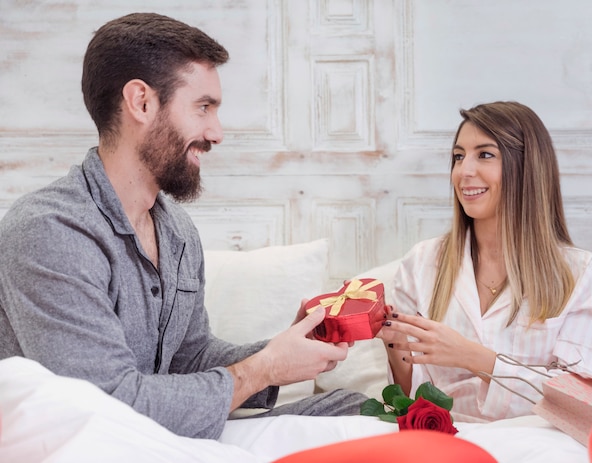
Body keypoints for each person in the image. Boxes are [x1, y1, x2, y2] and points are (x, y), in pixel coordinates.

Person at [0, 12, 366, 440]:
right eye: (203, 107)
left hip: (161, 429)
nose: (217, 132)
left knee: (359, 412)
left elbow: (187, 357)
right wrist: (263, 369)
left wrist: (283, 350)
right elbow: (105, 407)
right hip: (95, 439)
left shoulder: (176, 230)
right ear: (141, 102)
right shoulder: (49, 232)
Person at [379, 101, 592, 422]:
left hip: (537, 441)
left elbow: (578, 403)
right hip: (446, 440)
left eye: (485, 154)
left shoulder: (580, 274)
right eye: (458, 156)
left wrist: (476, 358)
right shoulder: (421, 263)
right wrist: (398, 350)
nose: (464, 171)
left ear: (527, 167)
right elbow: (406, 401)